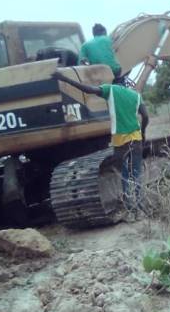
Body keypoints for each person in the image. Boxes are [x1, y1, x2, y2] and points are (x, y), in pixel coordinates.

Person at [55, 73, 149, 220]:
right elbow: (146, 116)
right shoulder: (135, 95)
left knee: (124, 175)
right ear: (125, 83)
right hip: (135, 139)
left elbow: (88, 90)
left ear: (114, 82)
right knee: (135, 173)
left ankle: (130, 210)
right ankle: (140, 209)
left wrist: (65, 79)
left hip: (120, 141)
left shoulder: (111, 90)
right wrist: (142, 133)